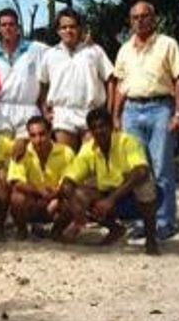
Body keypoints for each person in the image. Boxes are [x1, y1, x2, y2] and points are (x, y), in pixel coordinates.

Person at [113, 0, 179, 240]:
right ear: (130, 21)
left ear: (154, 19)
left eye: (144, 16)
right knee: (137, 169)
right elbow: (120, 85)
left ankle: (164, 222)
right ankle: (142, 221)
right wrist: (115, 115)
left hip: (160, 108)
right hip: (131, 111)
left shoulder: (167, 44)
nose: (140, 21)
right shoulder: (125, 49)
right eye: (135, 17)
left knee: (161, 167)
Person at [58, 108, 161, 255]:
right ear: (90, 131)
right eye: (94, 128)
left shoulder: (127, 141)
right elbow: (67, 181)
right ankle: (115, 229)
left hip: (133, 197)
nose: (99, 131)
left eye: (102, 126)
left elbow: (142, 171)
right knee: (79, 194)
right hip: (108, 197)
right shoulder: (88, 149)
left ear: (111, 126)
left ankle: (151, 240)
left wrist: (111, 199)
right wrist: (77, 212)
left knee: (144, 183)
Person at [38, 8, 115, 151]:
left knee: (91, 159)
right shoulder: (50, 55)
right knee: (66, 159)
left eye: (72, 26)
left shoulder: (94, 51)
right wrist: (44, 110)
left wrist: (109, 111)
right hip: (62, 115)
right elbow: (42, 84)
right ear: (58, 31)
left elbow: (110, 79)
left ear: (79, 28)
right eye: (64, 27)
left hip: (91, 113)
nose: (68, 30)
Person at [7, 115, 76, 240]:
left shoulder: (66, 152)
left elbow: (71, 181)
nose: (38, 140)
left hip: (56, 201)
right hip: (32, 201)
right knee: (16, 197)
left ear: (50, 133)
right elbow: (16, 182)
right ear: (28, 136)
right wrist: (39, 191)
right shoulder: (20, 151)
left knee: (73, 198)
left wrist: (57, 194)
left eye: (42, 134)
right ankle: (22, 230)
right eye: (33, 135)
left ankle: (56, 232)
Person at [0, 8, 48, 137]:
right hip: (0, 112)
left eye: (11, 24)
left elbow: (60, 55)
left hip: (29, 110)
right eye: (4, 25)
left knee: (25, 149)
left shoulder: (37, 49)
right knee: (1, 148)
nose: (8, 28)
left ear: (18, 27)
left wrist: (83, 45)